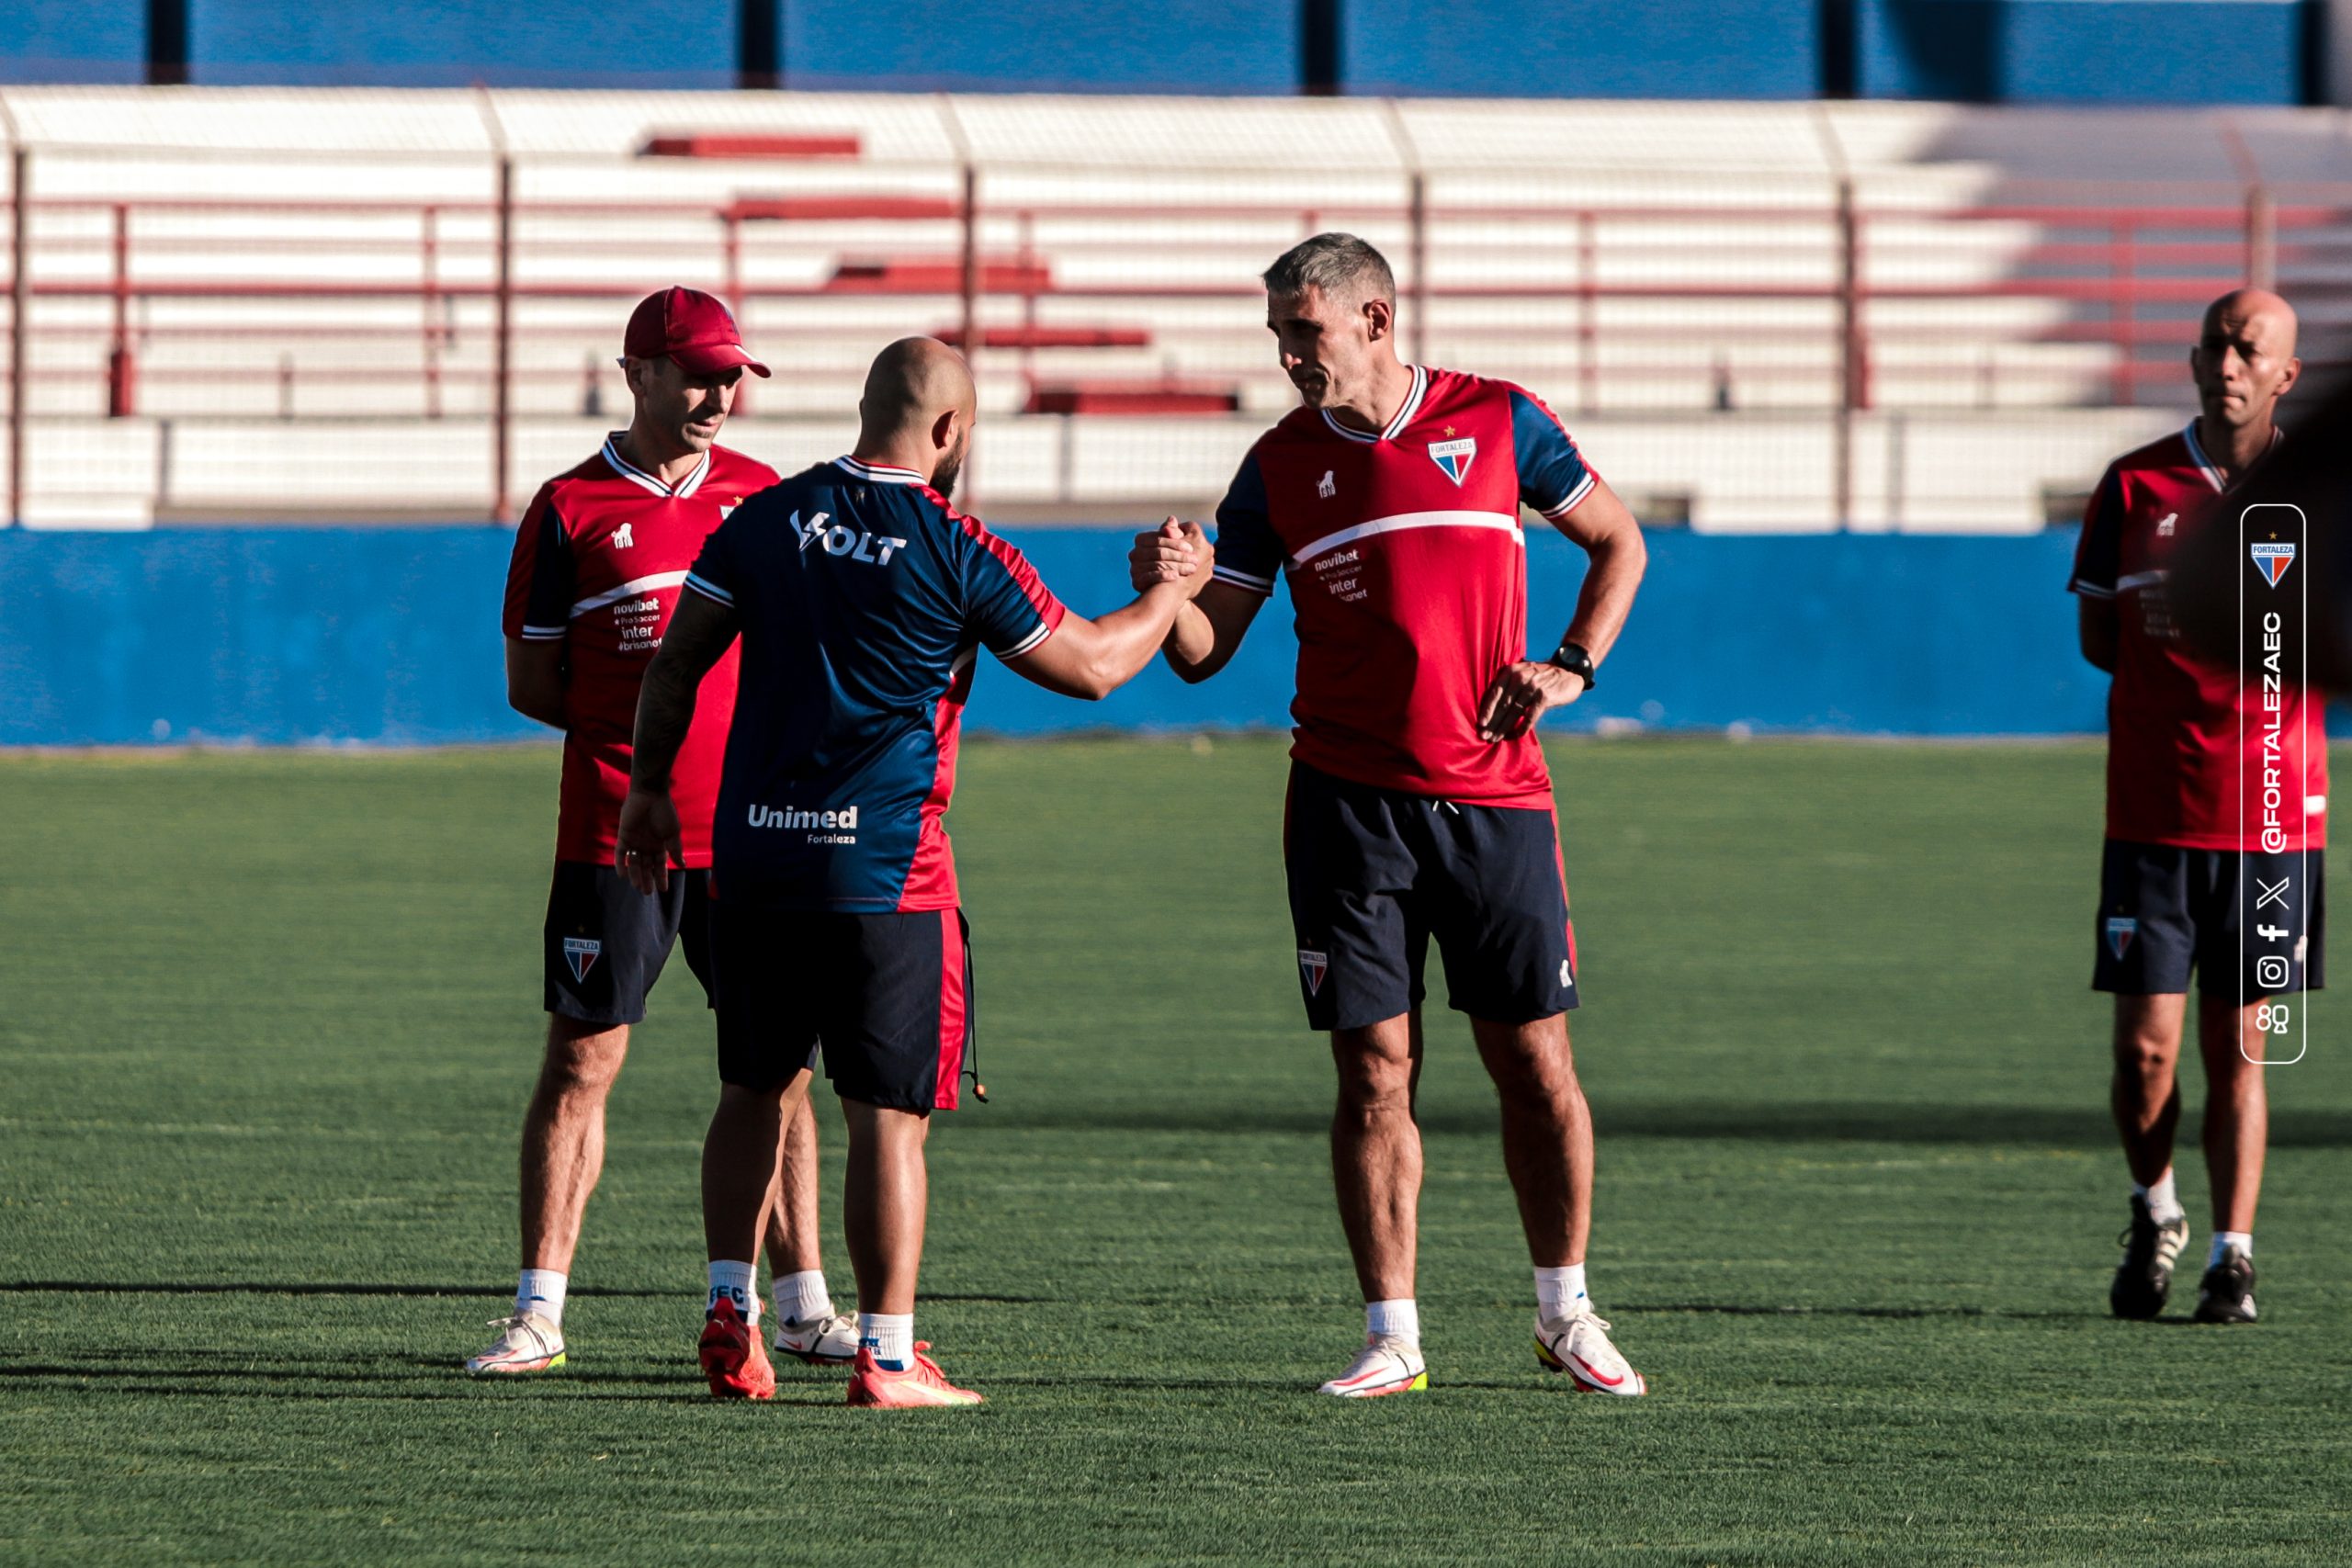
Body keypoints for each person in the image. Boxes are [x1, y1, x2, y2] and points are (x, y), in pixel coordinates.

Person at [616, 336, 1213, 1405]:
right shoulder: (956, 545)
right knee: (885, 1116)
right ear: (949, 432)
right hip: (886, 877)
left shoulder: (760, 519)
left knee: (752, 1089)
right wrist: (1174, 591)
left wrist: (651, 792)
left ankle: (729, 1312)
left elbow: (672, 668)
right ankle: (886, 1355)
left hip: (751, 860)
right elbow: (1093, 667)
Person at [1129, 232, 1649, 1397]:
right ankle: (1391, 1337)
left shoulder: (1500, 419)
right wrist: (1166, 590)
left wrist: (1571, 664)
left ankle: (1565, 1312)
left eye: (1301, 332)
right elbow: (1206, 657)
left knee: (1534, 1063)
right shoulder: (1275, 467)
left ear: (1374, 319)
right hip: (1345, 808)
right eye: (1276, 335)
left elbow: (1618, 540)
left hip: (1496, 801)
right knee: (1373, 1073)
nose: (1286, 357)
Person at [472, 287, 854, 1375]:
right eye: (696, 372)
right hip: (613, 835)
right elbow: (534, 683)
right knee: (584, 1059)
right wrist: (646, 743)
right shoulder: (569, 508)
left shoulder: (764, 497)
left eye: (732, 375)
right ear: (636, 372)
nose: (718, 394)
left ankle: (802, 1304)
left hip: (756, 835)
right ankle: (540, 1311)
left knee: (779, 1069)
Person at [2069, 288, 2320, 1325]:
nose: (2227, 361)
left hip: (2271, 826)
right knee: (2145, 1053)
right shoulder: (2133, 486)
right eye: (2215, 343)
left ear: (2283, 374)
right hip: (2152, 820)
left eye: (2248, 348)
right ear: (2192, 357)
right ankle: (2156, 1208)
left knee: (2241, 1049)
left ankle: (2232, 1255)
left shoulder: (2320, 496)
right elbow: (2097, 642)